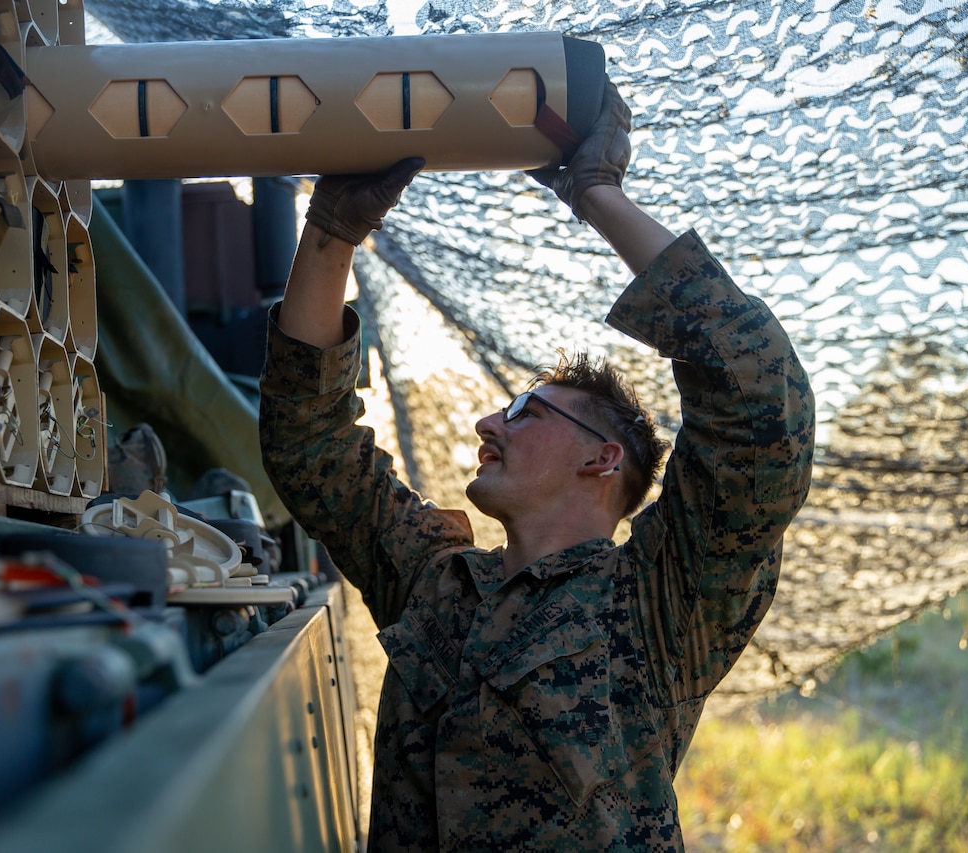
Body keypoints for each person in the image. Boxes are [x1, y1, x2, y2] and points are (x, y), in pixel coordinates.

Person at [259, 77, 815, 852]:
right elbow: (310, 442)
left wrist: (596, 194)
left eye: (524, 409)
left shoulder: (659, 604)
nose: (489, 421)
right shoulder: (435, 581)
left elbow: (759, 398)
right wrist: (328, 234)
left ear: (603, 457)